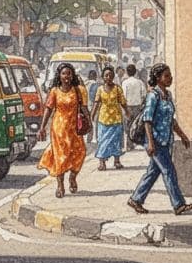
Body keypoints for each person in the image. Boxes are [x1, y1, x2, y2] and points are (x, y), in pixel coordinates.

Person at [127, 64, 192, 215]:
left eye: (170, 75)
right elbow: (147, 120)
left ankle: (136, 199)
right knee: (168, 170)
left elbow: (171, 120)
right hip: (155, 141)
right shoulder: (153, 96)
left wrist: (182, 135)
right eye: (166, 76)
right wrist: (150, 142)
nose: (170, 78)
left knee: (153, 171)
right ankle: (178, 204)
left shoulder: (168, 95)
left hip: (166, 140)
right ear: (158, 78)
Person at [37, 63, 90, 198]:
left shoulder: (78, 90)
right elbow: (48, 109)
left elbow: (84, 107)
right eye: (64, 73)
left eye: (69, 73)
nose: (66, 76)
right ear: (59, 76)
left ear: (72, 75)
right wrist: (42, 127)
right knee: (60, 156)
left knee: (80, 153)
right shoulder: (54, 91)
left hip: (74, 128)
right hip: (59, 129)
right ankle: (60, 185)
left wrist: (89, 122)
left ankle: (73, 177)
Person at [93, 66, 128, 171]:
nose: (108, 77)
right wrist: (91, 115)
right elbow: (96, 103)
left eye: (110, 75)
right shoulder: (100, 89)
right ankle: (102, 163)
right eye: (106, 75)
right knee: (102, 141)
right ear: (103, 77)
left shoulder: (117, 88)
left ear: (113, 76)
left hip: (116, 119)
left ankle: (117, 161)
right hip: (103, 119)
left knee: (116, 140)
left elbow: (123, 102)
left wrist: (127, 112)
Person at [121, 63, 147, 150]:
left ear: (127, 72)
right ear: (135, 72)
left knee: (128, 125)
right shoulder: (140, 82)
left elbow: (123, 96)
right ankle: (135, 142)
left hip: (127, 107)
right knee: (136, 125)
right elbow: (144, 95)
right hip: (137, 107)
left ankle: (129, 144)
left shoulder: (125, 83)